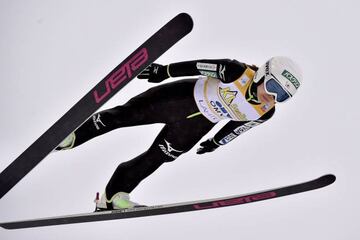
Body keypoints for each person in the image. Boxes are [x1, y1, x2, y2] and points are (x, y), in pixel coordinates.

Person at [57, 56, 302, 210]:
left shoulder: (265, 112)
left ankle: (113, 196)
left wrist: (216, 142)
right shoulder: (235, 71)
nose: (271, 97)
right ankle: (71, 137)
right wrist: (164, 71)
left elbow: (237, 127)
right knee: (123, 116)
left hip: (195, 126)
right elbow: (197, 66)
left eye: (282, 96)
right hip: (178, 99)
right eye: (272, 87)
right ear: (262, 74)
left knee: (155, 158)